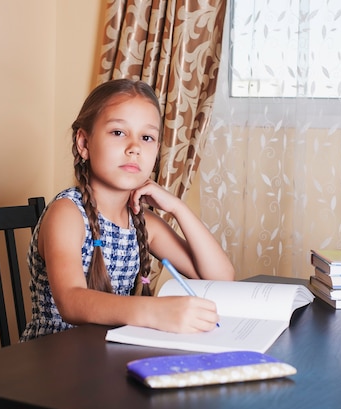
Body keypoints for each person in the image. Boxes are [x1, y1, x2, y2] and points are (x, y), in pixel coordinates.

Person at [20, 78, 235, 341]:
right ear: (84, 144)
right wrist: (155, 311)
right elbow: (71, 301)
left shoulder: (143, 222)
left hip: (106, 356)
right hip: (53, 362)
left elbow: (221, 279)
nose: (134, 148)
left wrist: (178, 208)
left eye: (146, 137)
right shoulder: (67, 213)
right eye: (118, 132)